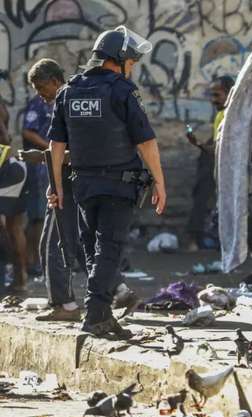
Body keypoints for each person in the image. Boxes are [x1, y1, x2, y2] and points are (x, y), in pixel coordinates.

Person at [48, 26, 166, 338]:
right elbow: (146, 143)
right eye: (132, 62)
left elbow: (56, 145)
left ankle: (100, 313)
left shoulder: (68, 90)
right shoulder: (122, 91)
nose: (133, 68)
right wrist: (160, 183)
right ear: (121, 59)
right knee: (108, 251)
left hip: (84, 186)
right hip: (118, 185)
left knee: (92, 251)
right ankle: (96, 315)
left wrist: (57, 185)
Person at [22, 59, 65, 276]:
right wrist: (51, 148)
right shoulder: (39, 104)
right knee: (39, 217)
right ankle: (31, 262)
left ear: (55, 81)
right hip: (41, 170)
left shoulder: (67, 101)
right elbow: (28, 132)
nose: (39, 93)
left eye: (41, 87)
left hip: (60, 167)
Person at [185, 75, 234, 252]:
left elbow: (220, 148)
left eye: (217, 95)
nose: (213, 100)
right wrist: (198, 144)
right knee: (203, 197)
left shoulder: (231, 116)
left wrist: (199, 144)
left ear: (230, 94)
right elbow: (216, 147)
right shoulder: (221, 115)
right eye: (212, 95)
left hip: (225, 165)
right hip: (214, 164)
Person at [0, 100, 29, 293]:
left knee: (9, 227)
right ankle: (18, 279)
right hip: (10, 167)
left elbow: (5, 140)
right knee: (13, 227)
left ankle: (15, 278)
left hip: (8, 169)